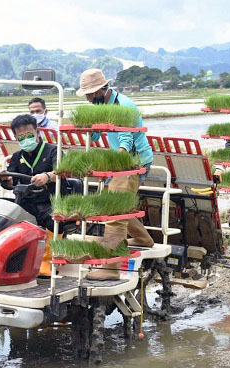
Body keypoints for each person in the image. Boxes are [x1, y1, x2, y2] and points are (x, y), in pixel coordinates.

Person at [76, 69, 154, 281]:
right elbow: (95, 137)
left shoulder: (124, 106)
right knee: (119, 205)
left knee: (115, 211)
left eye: (92, 94)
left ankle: (111, 268)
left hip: (132, 160)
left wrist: (115, 165)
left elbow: (126, 141)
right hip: (119, 159)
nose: (89, 99)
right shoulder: (101, 105)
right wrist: (89, 127)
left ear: (103, 88)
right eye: (87, 95)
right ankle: (144, 239)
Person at [0, 114, 63, 276]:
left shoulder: (53, 150)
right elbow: (13, 182)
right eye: (21, 138)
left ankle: (48, 260)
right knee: (6, 218)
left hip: (51, 200)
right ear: (16, 138)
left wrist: (47, 176)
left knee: (51, 219)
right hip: (26, 202)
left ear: (38, 132)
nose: (26, 140)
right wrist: (6, 180)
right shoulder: (17, 157)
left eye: (29, 135)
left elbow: (62, 171)